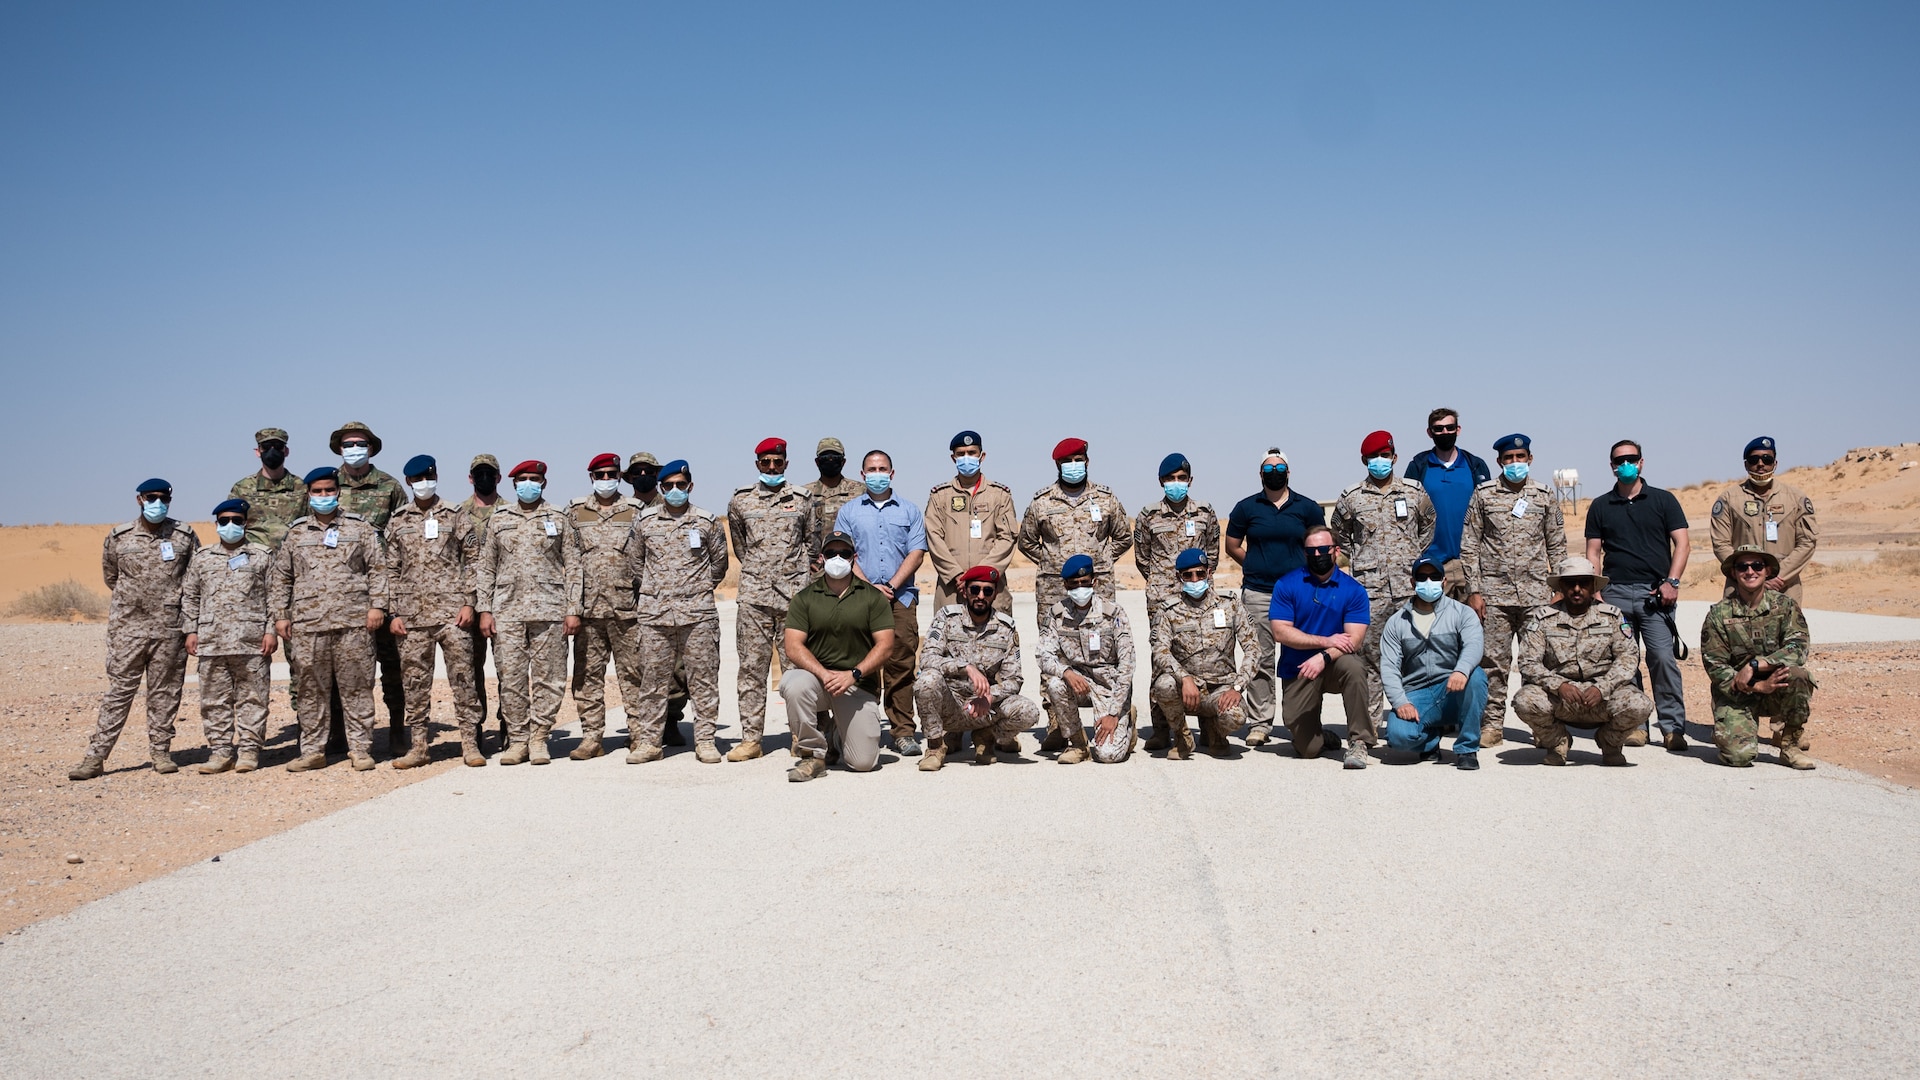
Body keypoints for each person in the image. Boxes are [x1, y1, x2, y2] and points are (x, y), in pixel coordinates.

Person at [70, 479, 202, 781]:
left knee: (165, 693)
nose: (157, 503)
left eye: (163, 498)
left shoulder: (183, 535)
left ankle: (160, 751)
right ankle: (96, 756)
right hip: (129, 628)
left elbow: (193, 580)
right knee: (119, 693)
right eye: (150, 497)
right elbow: (111, 576)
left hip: (170, 628)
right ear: (139, 499)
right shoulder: (120, 536)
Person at [269, 467, 388, 772]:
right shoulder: (296, 532)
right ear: (308, 494)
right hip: (308, 625)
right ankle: (313, 750)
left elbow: (377, 569)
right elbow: (282, 577)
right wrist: (281, 615)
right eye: (317, 491)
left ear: (338, 492)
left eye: (329, 491)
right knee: (311, 689)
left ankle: (360, 749)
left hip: (353, 622)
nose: (324, 496)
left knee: (357, 687)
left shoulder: (359, 528)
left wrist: (377, 607)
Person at [1584, 439, 1691, 751]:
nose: (1625, 464)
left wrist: (1672, 582)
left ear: (1642, 462)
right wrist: (1597, 590)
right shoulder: (1600, 505)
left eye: (1631, 459)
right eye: (1620, 460)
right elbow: (1593, 551)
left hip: (1655, 594)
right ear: (1612, 466)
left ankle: (1672, 727)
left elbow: (1682, 544)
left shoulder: (1663, 500)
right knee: (1624, 664)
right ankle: (1634, 726)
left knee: (1662, 658)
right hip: (1615, 594)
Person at [1460, 433, 1566, 747]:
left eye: (1521, 458)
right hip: (1494, 596)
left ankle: (1542, 725)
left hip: (1536, 596)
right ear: (1499, 462)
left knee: (1538, 664)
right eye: (1509, 459)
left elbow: (1557, 547)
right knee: (1493, 663)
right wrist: (1474, 591)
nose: (1515, 464)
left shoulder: (1544, 496)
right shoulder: (1484, 495)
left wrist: (1558, 588)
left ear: (1530, 459)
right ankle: (1492, 725)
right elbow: (1470, 547)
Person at [475, 460, 582, 766]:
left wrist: (573, 609)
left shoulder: (559, 517)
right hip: (507, 610)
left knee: (551, 679)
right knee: (511, 679)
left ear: (544, 483)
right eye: (522, 479)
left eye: (534, 478)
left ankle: (539, 738)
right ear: (513, 484)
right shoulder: (499, 519)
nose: (528, 483)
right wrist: (485, 609)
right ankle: (518, 740)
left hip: (550, 609)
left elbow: (574, 567)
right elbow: (486, 568)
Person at [625, 459, 729, 763]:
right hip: (655, 616)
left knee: (703, 679)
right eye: (667, 486)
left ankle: (706, 740)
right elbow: (634, 564)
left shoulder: (707, 522)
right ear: (661, 487)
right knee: (653, 681)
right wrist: (658, 591)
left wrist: (693, 589)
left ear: (690, 487)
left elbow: (719, 564)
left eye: (680, 485)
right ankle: (649, 743)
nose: (674, 490)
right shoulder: (644, 522)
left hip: (697, 615)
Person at [386, 455, 483, 768]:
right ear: (409, 483)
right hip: (412, 617)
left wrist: (470, 601)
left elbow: (474, 559)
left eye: (427, 477)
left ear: (436, 476)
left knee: (463, 679)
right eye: (416, 480)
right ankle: (418, 747)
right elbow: (390, 568)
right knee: (414, 683)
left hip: (452, 614)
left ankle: (470, 743)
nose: (423, 483)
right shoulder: (398, 519)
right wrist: (393, 613)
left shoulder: (455, 514)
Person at [1330, 430, 1435, 716]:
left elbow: (1428, 524)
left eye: (1385, 456)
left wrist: (1412, 555)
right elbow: (1339, 532)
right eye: (1374, 457)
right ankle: (1369, 725)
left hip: (1409, 588)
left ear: (1395, 457)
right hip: (1369, 590)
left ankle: (1417, 720)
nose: (1380, 461)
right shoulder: (1352, 496)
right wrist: (1361, 558)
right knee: (1368, 658)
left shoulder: (1414, 491)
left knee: (1415, 655)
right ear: (1364, 460)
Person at [1225, 448, 1326, 745]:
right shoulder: (1247, 508)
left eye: (1279, 468)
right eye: (1268, 470)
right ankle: (1260, 723)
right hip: (1258, 593)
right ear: (1260, 475)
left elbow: (1319, 544)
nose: (1274, 474)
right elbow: (1232, 545)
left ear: (1289, 473)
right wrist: (1255, 565)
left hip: (1299, 594)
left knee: (1299, 656)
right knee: (1261, 659)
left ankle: (1300, 720)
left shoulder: (1306, 508)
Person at [727, 438, 818, 762]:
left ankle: (800, 736)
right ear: (757, 465)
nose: (771, 468)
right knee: (751, 669)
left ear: (786, 463)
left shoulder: (803, 499)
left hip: (794, 598)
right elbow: (740, 546)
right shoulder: (741, 501)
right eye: (765, 462)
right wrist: (761, 573)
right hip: (754, 598)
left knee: (796, 671)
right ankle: (751, 739)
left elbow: (811, 543)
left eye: (777, 462)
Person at [833, 449, 929, 757]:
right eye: (871, 469)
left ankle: (902, 731)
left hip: (900, 599)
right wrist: (869, 586)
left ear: (892, 473)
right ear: (862, 475)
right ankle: (866, 730)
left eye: (882, 468)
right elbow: (843, 552)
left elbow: (917, 552)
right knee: (865, 665)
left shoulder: (909, 511)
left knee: (901, 663)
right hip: (860, 598)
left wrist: (890, 585)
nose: (877, 473)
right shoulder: (848, 512)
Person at [781, 531, 897, 781]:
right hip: (818, 682)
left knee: (863, 763)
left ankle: (834, 735)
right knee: (793, 683)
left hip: (857, 683)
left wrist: (853, 674)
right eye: (831, 553)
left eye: (843, 553)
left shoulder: (872, 597)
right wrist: (823, 673)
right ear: (821, 558)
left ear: (854, 557)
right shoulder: (805, 598)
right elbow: (792, 646)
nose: (837, 558)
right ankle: (813, 755)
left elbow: (886, 646)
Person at [1511, 556, 1647, 766]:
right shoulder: (1543, 619)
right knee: (1525, 701)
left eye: (1583, 583)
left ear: (1593, 586)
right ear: (1561, 587)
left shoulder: (1612, 617)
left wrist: (1603, 687)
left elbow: (1628, 657)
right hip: (1562, 697)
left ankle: (1609, 742)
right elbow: (1528, 662)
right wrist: (1558, 685)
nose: (1577, 589)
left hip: (1601, 696)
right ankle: (1558, 742)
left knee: (1640, 705)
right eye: (1570, 583)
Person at [913, 566, 1044, 771]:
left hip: (984, 706)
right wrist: (965, 667)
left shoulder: (1005, 628)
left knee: (1028, 711)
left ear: (995, 594)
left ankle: (986, 735)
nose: (981, 596)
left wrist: (990, 696)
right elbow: (927, 658)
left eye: (987, 591)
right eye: (975, 590)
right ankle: (935, 747)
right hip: (951, 704)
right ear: (965, 591)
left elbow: (1014, 679)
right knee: (926, 680)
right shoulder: (947, 619)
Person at [180, 499, 276, 774]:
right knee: (213, 700)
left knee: (253, 698)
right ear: (216, 524)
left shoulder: (262, 556)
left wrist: (270, 631)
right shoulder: (202, 558)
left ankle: (248, 751)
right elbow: (190, 596)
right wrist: (191, 630)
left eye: (236, 520)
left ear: (246, 523)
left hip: (252, 640)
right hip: (212, 642)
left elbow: (275, 597)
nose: (230, 525)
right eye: (224, 521)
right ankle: (220, 752)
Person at [1701, 546, 1818, 770]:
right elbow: (1714, 664)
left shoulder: (1785, 606)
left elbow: (1798, 647)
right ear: (1734, 573)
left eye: (1757, 566)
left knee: (1799, 676)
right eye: (1742, 567)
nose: (1750, 571)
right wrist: (1755, 685)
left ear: (1768, 571)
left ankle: (1790, 745)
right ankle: (1730, 733)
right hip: (1737, 692)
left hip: (1776, 687)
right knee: (1739, 757)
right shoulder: (1719, 614)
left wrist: (1756, 665)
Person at [328, 422, 407, 752]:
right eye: (348, 444)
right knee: (340, 667)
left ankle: (397, 729)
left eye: (360, 443)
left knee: (392, 662)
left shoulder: (389, 486)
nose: (354, 448)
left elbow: (403, 532)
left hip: (383, 587)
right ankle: (338, 732)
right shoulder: (326, 485)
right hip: (340, 591)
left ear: (371, 447)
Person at [1133, 453, 1220, 751]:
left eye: (1182, 479)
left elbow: (1212, 556)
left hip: (1198, 594)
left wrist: (1196, 582)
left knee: (1205, 653)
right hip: (1161, 597)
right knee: (1161, 660)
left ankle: (1209, 725)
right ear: (1161, 482)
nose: (1176, 484)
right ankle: (1161, 728)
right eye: (1170, 479)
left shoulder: (1206, 513)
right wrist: (1162, 581)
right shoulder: (1148, 515)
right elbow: (1142, 557)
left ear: (1190, 481)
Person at [1269, 524, 1373, 766]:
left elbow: (1354, 640)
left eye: (1323, 549)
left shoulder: (1353, 590)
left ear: (1336, 550)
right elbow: (1280, 632)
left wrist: (1324, 656)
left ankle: (1359, 742)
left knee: (1355, 667)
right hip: (1299, 667)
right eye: (1311, 551)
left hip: (1335, 664)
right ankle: (1322, 736)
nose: (1318, 555)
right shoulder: (1287, 585)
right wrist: (1326, 641)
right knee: (1308, 749)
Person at [567, 452, 647, 762]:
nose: (605, 480)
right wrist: (572, 608)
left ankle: (639, 733)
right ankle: (591, 737)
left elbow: (643, 558)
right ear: (591, 477)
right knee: (587, 676)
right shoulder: (575, 512)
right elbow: (572, 561)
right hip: (588, 610)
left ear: (619, 475)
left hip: (628, 608)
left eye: (610, 473)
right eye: (599, 475)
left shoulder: (636, 510)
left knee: (634, 674)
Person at [228, 427, 308, 728]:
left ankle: (307, 724)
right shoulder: (242, 489)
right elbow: (231, 534)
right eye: (266, 446)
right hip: (255, 585)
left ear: (286, 451)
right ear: (257, 451)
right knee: (250, 659)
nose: (271, 451)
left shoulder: (301, 488)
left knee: (300, 659)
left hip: (294, 584)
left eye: (277, 446)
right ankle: (250, 731)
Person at [1149, 549, 1259, 761]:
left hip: (1221, 688)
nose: (1195, 579)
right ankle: (1182, 736)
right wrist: (1184, 677)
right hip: (1186, 691)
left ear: (1209, 573)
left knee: (1235, 717)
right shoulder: (1169, 611)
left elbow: (1253, 648)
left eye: (1200, 573)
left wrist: (1238, 687)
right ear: (1178, 577)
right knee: (1163, 685)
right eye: (1187, 575)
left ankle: (1216, 732)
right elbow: (1160, 650)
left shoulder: (1230, 605)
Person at [1380, 558, 1488, 770]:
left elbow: (1474, 645)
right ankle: (1430, 740)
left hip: (1452, 687)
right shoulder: (1396, 622)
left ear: (1444, 581)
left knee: (1476, 677)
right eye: (1422, 577)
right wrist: (1401, 702)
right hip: (1417, 693)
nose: (1428, 581)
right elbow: (1389, 667)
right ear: (1412, 583)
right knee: (1398, 737)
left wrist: (1461, 671)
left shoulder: (1462, 613)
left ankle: (1467, 748)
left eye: (1434, 577)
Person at [1017, 437, 1132, 626]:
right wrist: (1052, 561)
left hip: (1098, 585)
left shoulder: (1106, 498)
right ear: (1057, 464)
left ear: (1087, 461)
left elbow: (1124, 537)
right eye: (1067, 461)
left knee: (1102, 639)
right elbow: (1026, 542)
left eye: (1078, 459)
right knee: (1054, 642)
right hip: (1054, 587)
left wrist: (1101, 559)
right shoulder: (1042, 501)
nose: (1074, 465)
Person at [1037, 556, 1138, 763]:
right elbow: (1042, 654)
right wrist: (1066, 672)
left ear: (1094, 582)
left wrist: (1114, 713)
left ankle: (1127, 723)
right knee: (1055, 684)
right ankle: (1078, 744)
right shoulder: (1057, 614)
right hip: (1078, 681)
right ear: (1065, 585)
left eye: (1085, 583)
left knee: (1108, 755)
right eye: (1074, 584)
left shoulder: (1113, 613)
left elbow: (1127, 665)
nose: (1080, 588)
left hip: (1108, 685)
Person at [626, 451, 688, 746]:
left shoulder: (671, 505)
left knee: (675, 666)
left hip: (670, 599)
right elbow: (634, 559)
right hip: (630, 598)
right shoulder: (623, 509)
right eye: (636, 472)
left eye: (647, 471)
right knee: (642, 664)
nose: (642, 476)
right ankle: (642, 723)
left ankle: (672, 719)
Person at [1710, 436, 1817, 602]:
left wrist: (1779, 576)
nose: (1760, 464)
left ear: (1775, 463)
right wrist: (1747, 573)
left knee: (1787, 628)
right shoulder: (1729, 499)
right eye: (1754, 459)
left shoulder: (1796, 499)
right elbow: (1720, 543)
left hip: (1784, 587)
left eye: (1767, 459)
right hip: (1741, 587)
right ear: (1746, 464)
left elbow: (1807, 542)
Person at [924, 430, 1018, 614]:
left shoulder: (999, 495)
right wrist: (957, 575)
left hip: (991, 586)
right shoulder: (939, 496)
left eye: (971, 453)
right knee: (950, 638)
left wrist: (980, 576)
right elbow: (934, 538)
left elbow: (1007, 538)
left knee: (994, 639)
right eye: (961, 454)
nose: (966, 458)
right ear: (953, 458)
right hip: (952, 588)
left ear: (982, 456)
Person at [1403, 408, 1491, 600]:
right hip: (1433, 567)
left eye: (1449, 428)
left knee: (1473, 628)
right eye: (1439, 429)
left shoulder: (1475, 465)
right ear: (1429, 432)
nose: (1445, 433)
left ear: (1458, 429)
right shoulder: (1419, 466)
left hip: (1471, 566)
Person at [459, 453, 509, 750]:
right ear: (470, 478)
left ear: (499, 478)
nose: (484, 478)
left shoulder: (511, 512)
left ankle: (509, 723)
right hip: (468, 602)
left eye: (490, 473)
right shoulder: (456, 514)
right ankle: (474, 727)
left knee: (507, 667)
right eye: (479, 473)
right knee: (470, 668)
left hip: (503, 602)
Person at [803, 438, 862, 565]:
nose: (830, 461)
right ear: (817, 462)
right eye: (825, 458)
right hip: (816, 567)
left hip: (850, 564)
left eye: (835, 458)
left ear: (843, 462)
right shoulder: (804, 494)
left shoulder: (860, 491)